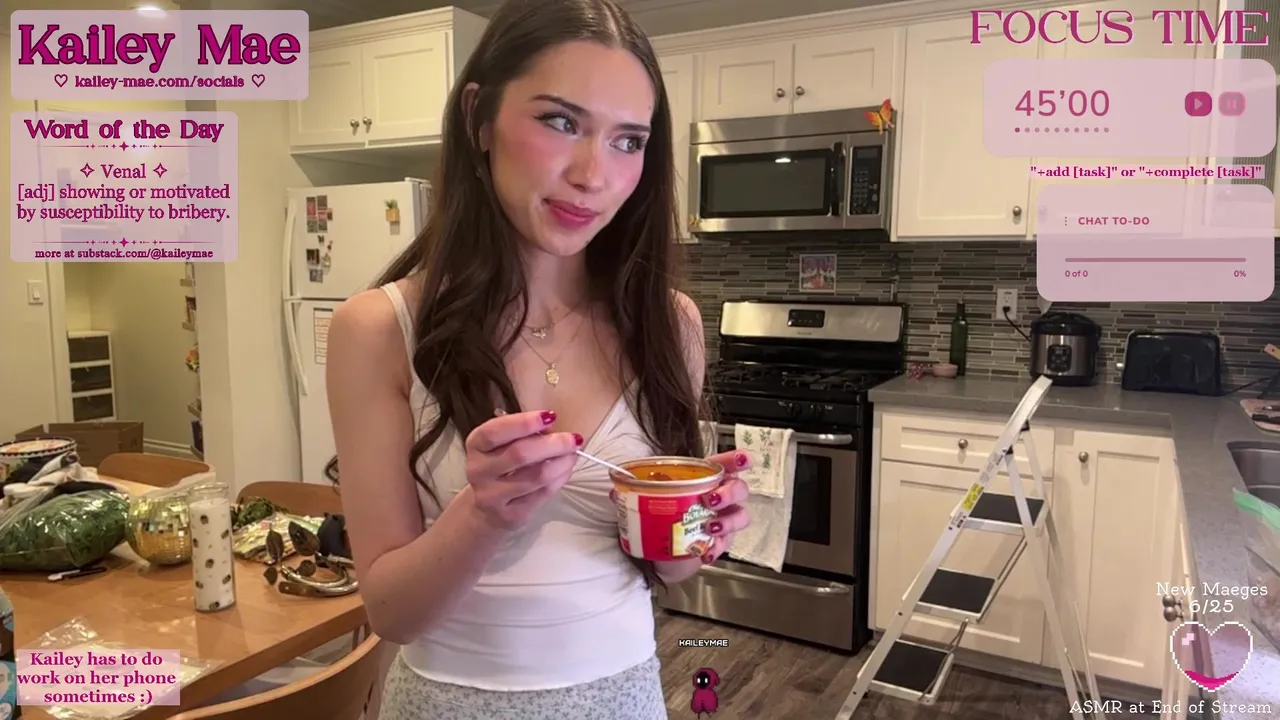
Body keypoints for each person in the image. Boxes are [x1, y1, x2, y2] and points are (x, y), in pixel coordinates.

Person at [323, 0, 753, 717]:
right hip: (451, 703)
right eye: (560, 122)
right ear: (478, 119)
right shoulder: (378, 330)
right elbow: (391, 613)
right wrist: (482, 514)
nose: (594, 174)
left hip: (623, 696)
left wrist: (698, 523)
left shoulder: (668, 323)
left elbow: (670, 572)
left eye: (628, 140)